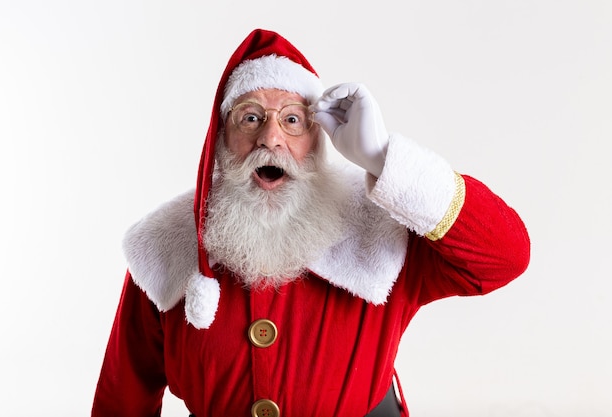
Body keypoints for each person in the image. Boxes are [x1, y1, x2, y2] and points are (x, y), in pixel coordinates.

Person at [91, 28, 530, 417]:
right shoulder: (167, 246)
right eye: (250, 117)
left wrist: (383, 158)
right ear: (220, 139)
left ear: (318, 141)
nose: (270, 137)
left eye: (293, 120)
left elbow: (505, 256)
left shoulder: (379, 228)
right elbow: (123, 394)